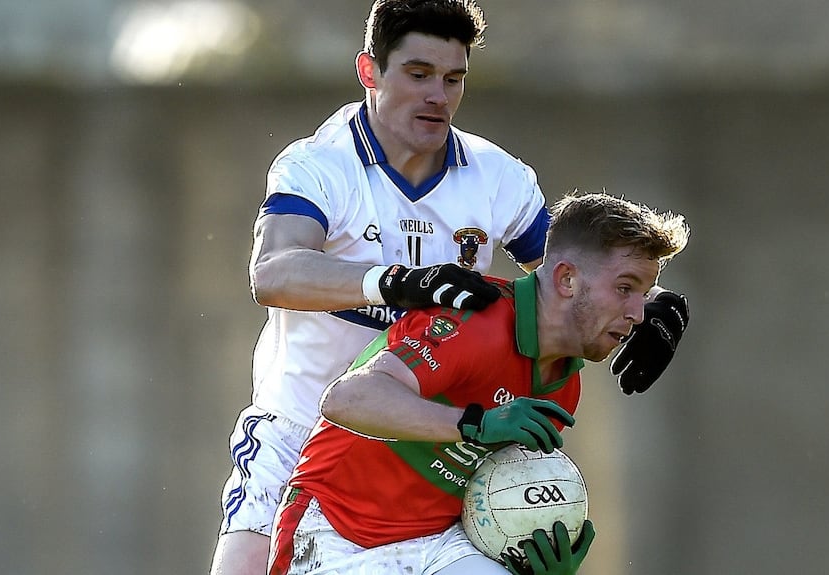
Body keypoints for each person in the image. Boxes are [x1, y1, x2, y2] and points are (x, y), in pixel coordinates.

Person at [210, 1, 689, 573]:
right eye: (418, 74)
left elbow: (573, 276)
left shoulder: (496, 176)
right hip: (300, 423)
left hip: (430, 447)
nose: (438, 94)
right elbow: (274, 272)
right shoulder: (319, 165)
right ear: (370, 71)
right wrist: (395, 283)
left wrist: (656, 306)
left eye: (453, 78)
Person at [268, 192, 690, 575]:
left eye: (643, 294)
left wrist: (531, 555)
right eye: (625, 289)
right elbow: (347, 398)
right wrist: (478, 423)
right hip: (336, 532)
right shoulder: (476, 320)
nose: (638, 313)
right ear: (566, 279)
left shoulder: (565, 386)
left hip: (441, 543)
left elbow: (491, 497)